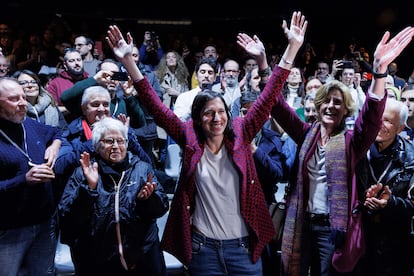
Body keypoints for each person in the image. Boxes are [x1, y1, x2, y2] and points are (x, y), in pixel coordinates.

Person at [106, 10, 307, 275]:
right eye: (208, 113)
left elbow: (269, 95)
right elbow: (155, 106)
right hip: (203, 250)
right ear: (198, 119)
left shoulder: (242, 131)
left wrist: (292, 47)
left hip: (243, 249)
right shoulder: (188, 135)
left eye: (221, 111)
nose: (216, 118)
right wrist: (130, 63)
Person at [271, 26, 414, 275]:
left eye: (338, 102)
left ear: (346, 110)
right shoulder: (306, 134)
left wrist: (379, 71)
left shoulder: (351, 141)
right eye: (326, 100)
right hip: (302, 224)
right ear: (317, 105)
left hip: (332, 230)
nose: (331, 106)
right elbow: (275, 103)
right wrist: (280, 56)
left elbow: (371, 118)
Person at [58, 117, 169, 276]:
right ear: (96, 146)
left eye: (121, 141)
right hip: (98, 262)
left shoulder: (142, 169)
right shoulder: (83, 172)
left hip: (142, 259)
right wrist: (89, 189)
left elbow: (161, 208)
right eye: (109, 141)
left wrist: (149, 200)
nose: (116, 146)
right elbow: (68, 220)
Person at [0, 77, 62, 275]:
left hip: (44, 221)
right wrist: (23, 180)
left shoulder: (28, 124)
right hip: (10, 227)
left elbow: (56, 133)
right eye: (14, 99)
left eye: (23, 97)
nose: (23, 103)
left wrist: (54, 146)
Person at [354, 98, 414, 276]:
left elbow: (412, 205)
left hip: (395, 244)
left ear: (401, 128)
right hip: (358, 238)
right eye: (378, 117)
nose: (380, 124)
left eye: (387, 120)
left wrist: (390, 203)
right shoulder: (356, 149)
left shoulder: (411, 158)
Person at [47, 48, 89, 119]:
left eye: (79, 60)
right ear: (65, 65)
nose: (76, 63)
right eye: (72, 61)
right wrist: (76, 109)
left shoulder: (89, 81)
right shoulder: (55, 83)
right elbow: (51, 110)